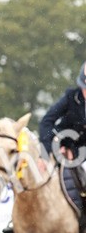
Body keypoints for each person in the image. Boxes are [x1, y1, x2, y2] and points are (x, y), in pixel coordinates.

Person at [39, 59, 86, 198]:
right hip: (61, 143)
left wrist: (75, 152)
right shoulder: (71, 97)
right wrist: (47, 151)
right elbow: (46, 121)